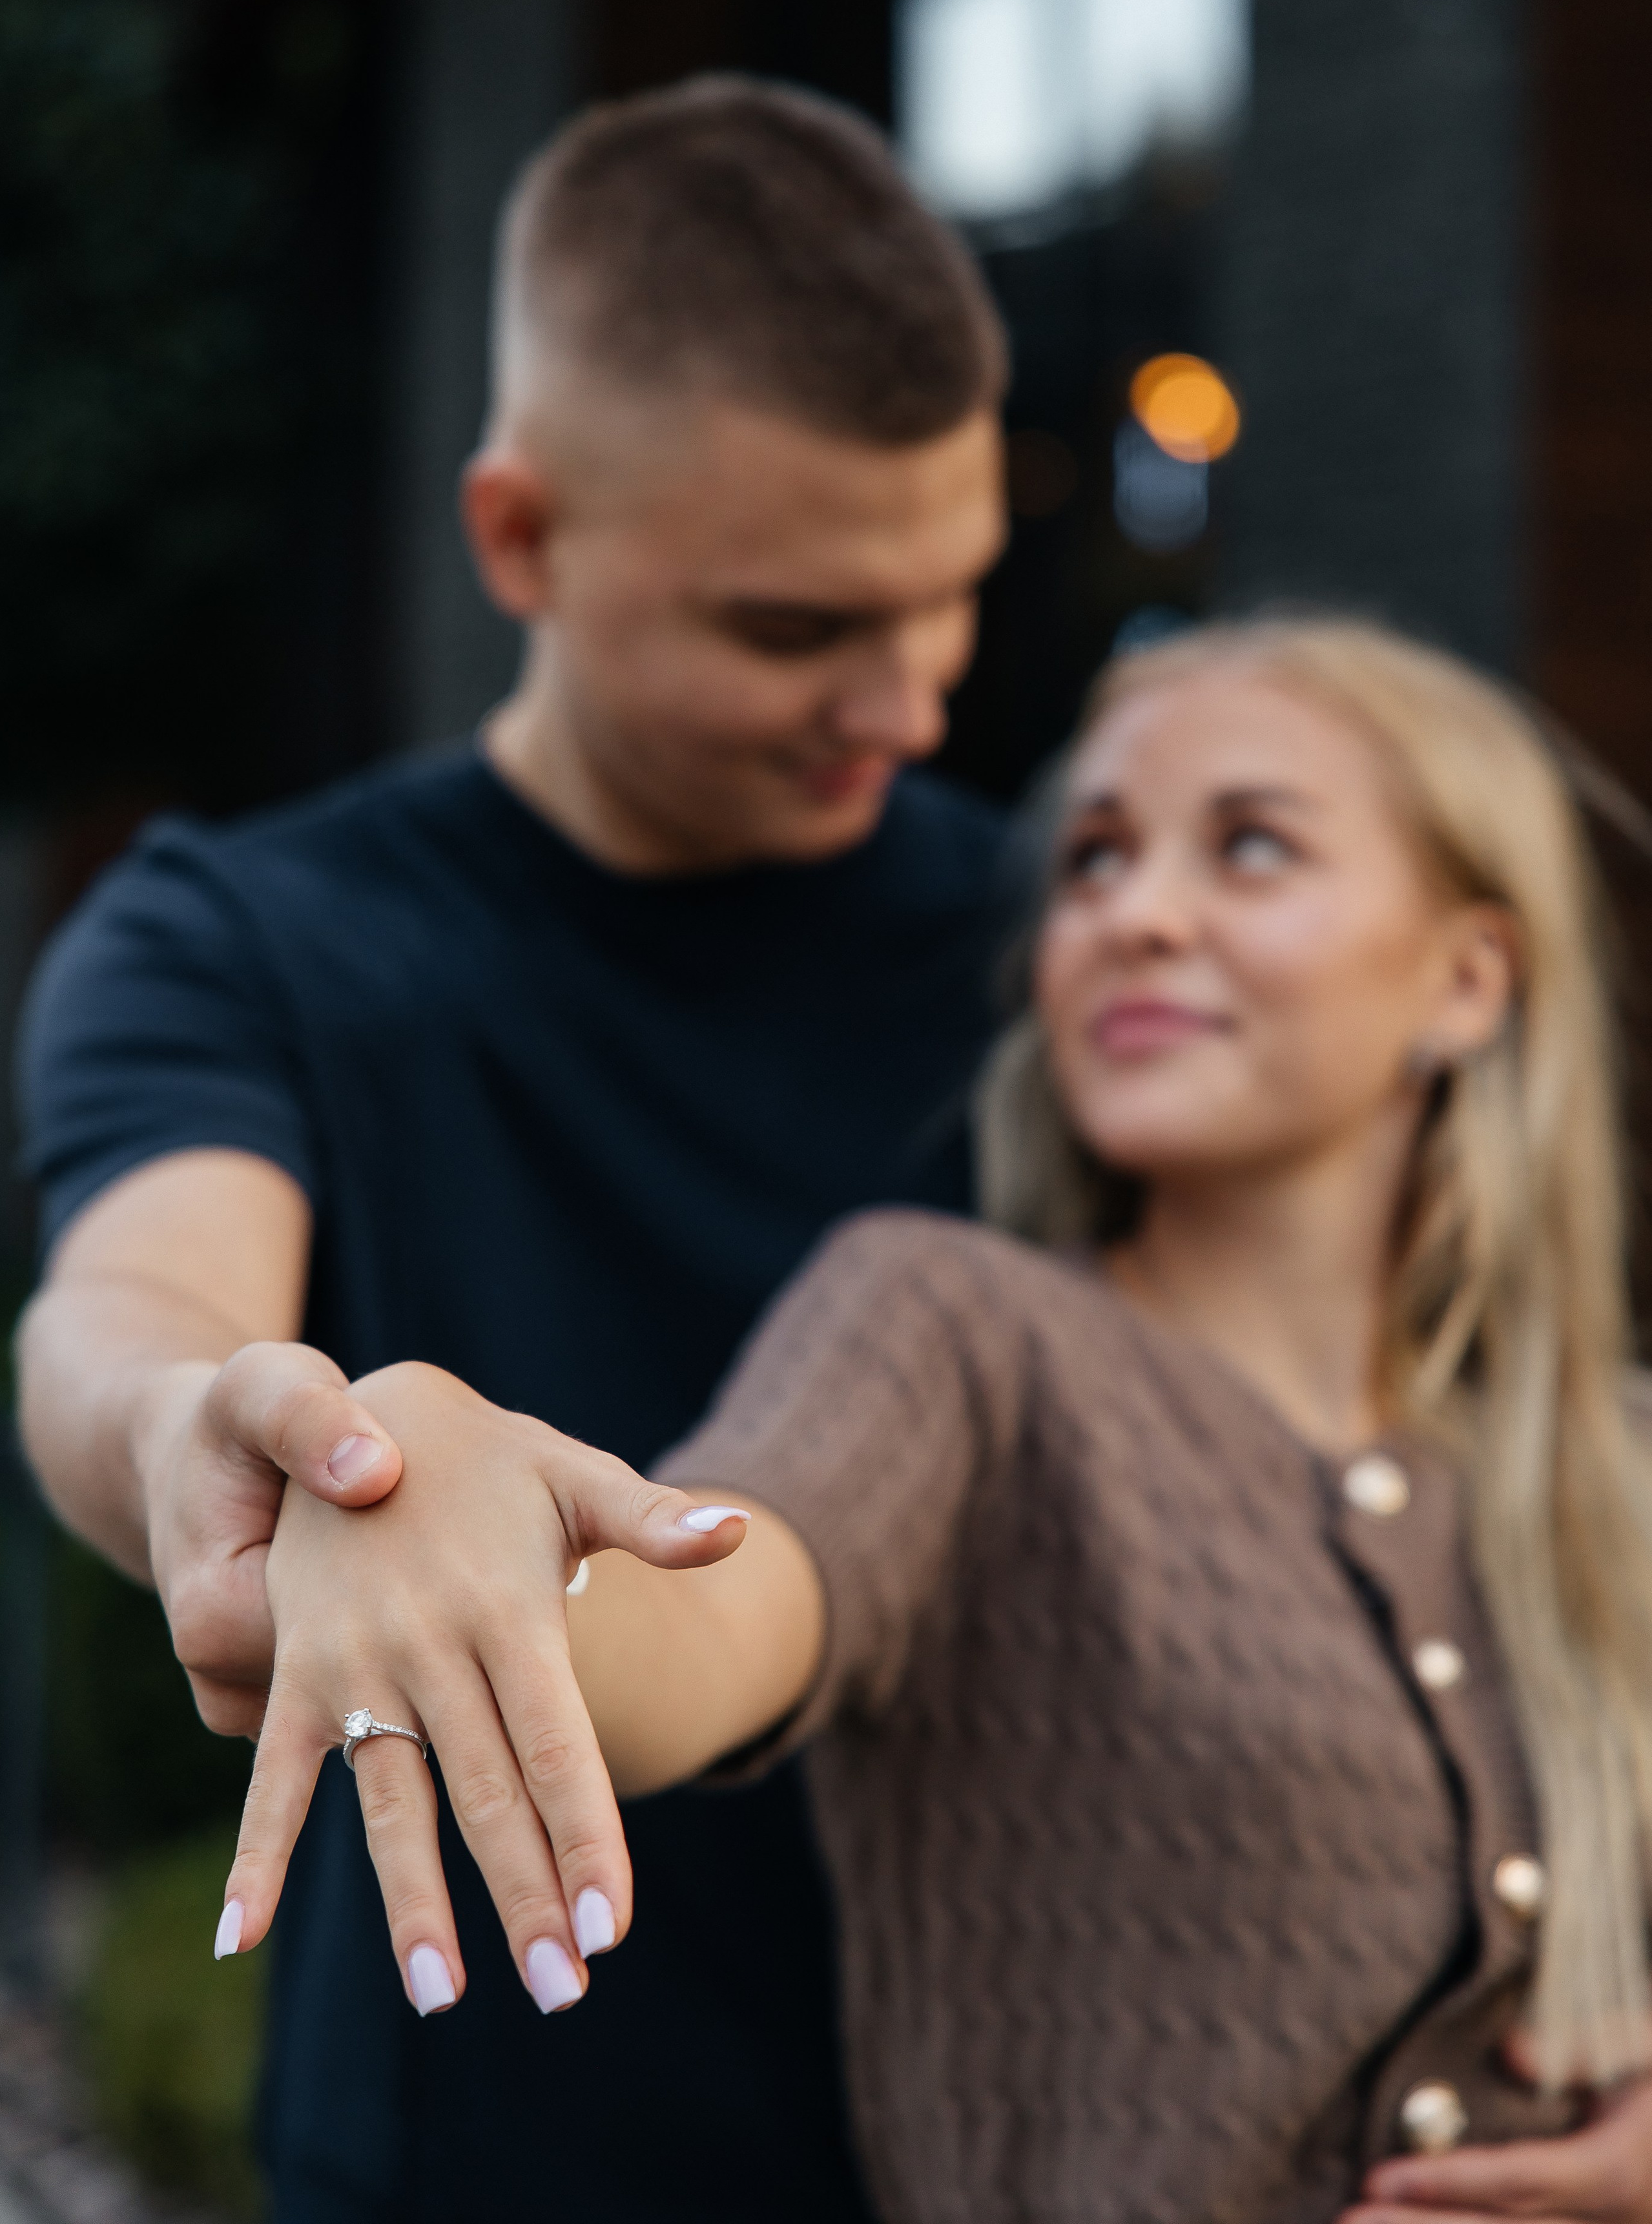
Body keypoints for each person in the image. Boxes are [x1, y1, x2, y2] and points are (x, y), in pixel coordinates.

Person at [229, 617, 1652, 2223]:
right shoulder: (961, 1342)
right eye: (1095, 863)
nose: (1137, 917)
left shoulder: (1615, 1474)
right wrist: (456, 1504)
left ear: (1466, 978)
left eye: (1248, 848)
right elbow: (704, 1615)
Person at [14, 77, 1013, 2223]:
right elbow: (135, 1311)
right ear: (521, 538)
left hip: (1043, 2136)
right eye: (797, 629)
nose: (912, 705)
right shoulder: (244, 937)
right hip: (474, 2154)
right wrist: (219, 1424)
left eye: (950, 601)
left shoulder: (1066, 953)